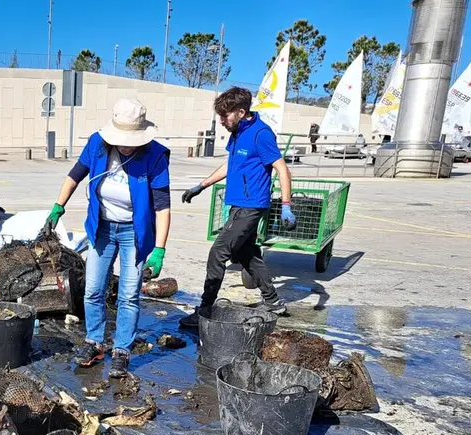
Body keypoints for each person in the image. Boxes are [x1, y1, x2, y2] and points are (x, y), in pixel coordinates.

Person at [43, 98, 172, 379]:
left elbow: (162, 207)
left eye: (132, 139)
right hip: (102, 228)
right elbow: (74, 176)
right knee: (93, 289)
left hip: (133, 233)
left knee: (128, 294)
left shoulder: (156, 156)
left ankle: (123, 350)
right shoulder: (97, 144)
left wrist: (159, 250)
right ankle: (95, 342)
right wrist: (57, 206)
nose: (126, 145)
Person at [179, 87, 296, 329]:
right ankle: (273, 301)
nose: (221, 121)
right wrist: (201, 185)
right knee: (247, 254)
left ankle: (205, 310)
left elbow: (282, 168)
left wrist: (286, 204)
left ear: (241, 112)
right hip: (239, 205)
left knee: (217, 253)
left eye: (225, 116)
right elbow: (231, 164)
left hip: (250, 206)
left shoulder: (260, 134)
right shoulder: (237, 132)